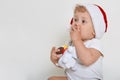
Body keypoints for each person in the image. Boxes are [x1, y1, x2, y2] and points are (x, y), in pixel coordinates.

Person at [48, 3, 108, 80]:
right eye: (75, 19)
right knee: (51, 79)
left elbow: (87, 60)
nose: (76, 23)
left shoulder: (95, 43)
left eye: (83, 21)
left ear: (94, 31)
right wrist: (56, 60)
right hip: (71, 78)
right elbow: (66, 64)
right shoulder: (71, 44)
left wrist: (77, 40)